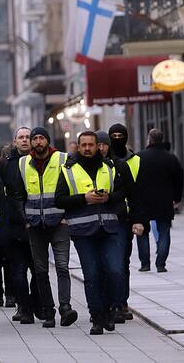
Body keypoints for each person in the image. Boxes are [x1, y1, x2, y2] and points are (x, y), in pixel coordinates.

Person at [55, 131, 126, 335]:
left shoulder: (110, 167)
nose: (87, 148)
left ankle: (109, 309)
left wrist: (109, 198)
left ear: (98, 146)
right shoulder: (68, 170)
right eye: (83, 145)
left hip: (109, 228)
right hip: (83, 231)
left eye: (91, 145)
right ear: (78, 146)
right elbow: (59, 200)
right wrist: (84, 198)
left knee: (115, 271)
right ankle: (97, 317)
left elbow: (123, 193)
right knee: (92, 275)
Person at [19, 127, 77, 328]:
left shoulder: (63, 159)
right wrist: (25, 219)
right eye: (34, 138)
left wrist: (67, 216)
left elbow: (73, 187)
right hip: (35, 225)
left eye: (41, 138)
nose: (37, 142)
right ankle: (48, 311)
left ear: (48, 141)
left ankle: (65, 308)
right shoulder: (23, 162)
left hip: (59, 223)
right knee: (41, 271)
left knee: (62, 267)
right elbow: (19, 195)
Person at [0, 127, 40, 325]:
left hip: (36, 225)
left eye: (27, 137)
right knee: (18, 271)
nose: (24, 140)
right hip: (14, 226)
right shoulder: (5, 164)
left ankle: (35, 303)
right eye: (20, 137)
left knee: (38, 270)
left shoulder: (38, 162)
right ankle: (24, 307)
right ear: (14, 142)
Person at [106, 124, 145, 323]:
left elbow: (139, 191)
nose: (117, 139)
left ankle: (121, 301)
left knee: (123, 261)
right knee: (113, 263)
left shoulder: (136, 160)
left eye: (121, 135)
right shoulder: (105, 162)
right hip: (109, 215)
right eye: (114, 136)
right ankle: (113, 301)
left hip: (127, 217)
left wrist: (139, 218)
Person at [134, 129, 184, 273]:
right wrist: (177, 198)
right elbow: (178, 179)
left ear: (149, 140)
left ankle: (145, 263)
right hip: (164, 200)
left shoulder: (139, 157)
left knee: (142, 232)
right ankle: (160, 263)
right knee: (164, 231)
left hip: (143, 201)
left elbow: (133, 179)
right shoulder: (171, 158)